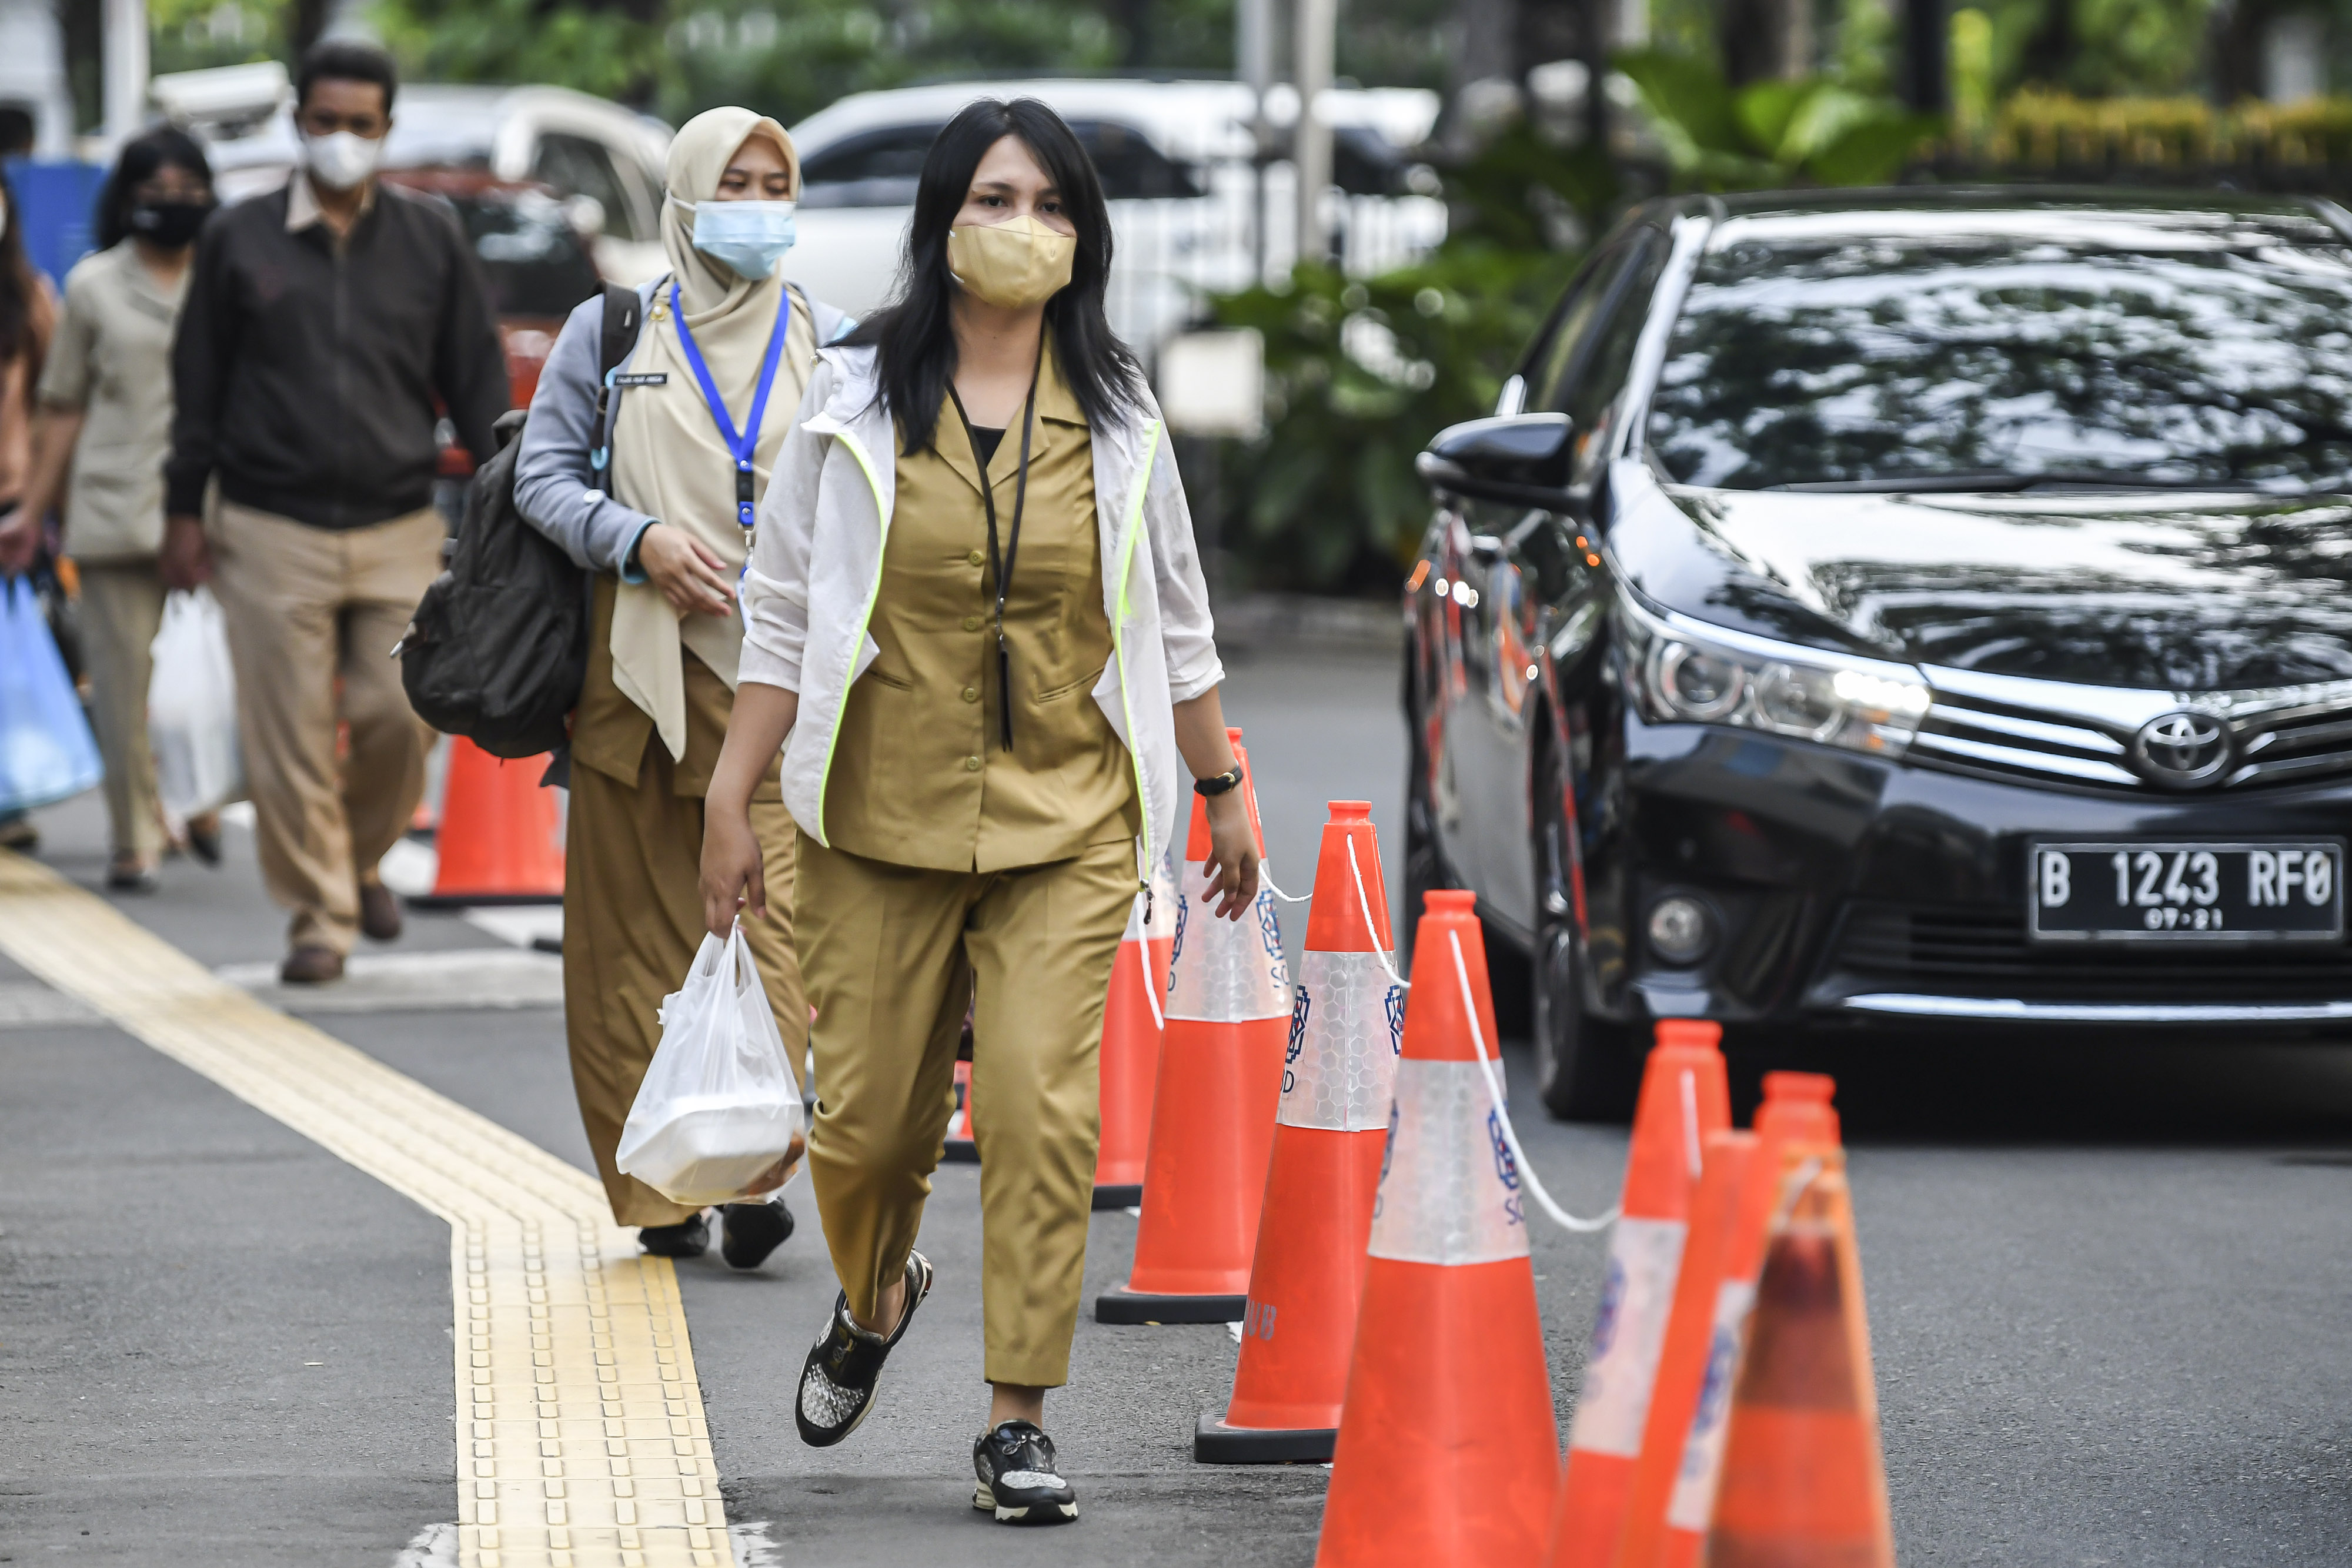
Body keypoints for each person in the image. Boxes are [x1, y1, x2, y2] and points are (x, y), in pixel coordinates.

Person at [699, 98, 1259, 1525]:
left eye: (1053, 206)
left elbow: (1176, 629)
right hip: (872, 821)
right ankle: (877, 1296)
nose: (1024, 230)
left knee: (1035, 1107)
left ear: (1087, 237)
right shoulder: (851, 397)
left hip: (1065, 825)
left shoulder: (1124, 419)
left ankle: (1018, 1416)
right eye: (995, 202)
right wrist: (725, 795)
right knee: (871, 1132)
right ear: (941, 224)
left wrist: (1222, 791)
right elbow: (778, 618)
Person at [516, 108, 853, 1269]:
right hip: (639, 687)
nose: (757, 208)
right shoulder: (613, 331)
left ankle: (753, 1158)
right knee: (627, 951)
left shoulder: (835, 342)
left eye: (776, 185)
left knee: (776, 937)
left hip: (788, 702)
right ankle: (662, 1188)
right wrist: (635, 538)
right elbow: (540, 478)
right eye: (734, 185)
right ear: (685, 197)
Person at [161, 39, 508, 984]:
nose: (343, 140)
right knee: (291, 737)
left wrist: (510, 493)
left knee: (402, 712)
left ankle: (354, 861)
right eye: (325, 121)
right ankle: (322, 914)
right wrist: (182, 514)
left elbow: (474, 377)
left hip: (396, 521)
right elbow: (198, 386)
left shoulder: (430, 236)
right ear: (296, 121)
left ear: (388, 128)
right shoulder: (239, 235)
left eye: (362, 124)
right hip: (268, 522)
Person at [9, 129, 221, 892]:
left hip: (223, 516)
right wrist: (32, 511)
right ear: (128, 199)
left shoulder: (229, 279)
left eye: (189, 190)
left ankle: (204, 795)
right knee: (124, 683)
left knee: (227, 680)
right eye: (156, 190)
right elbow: (60, 406)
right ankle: (136, 835)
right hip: (115, 511)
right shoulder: (95, 286)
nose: (173, 205)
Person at [0, 160, 61, 860]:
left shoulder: (29, 297)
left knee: (12, 656)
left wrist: (47, 499)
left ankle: (10, 797)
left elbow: (59, 400)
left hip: (10, 498)